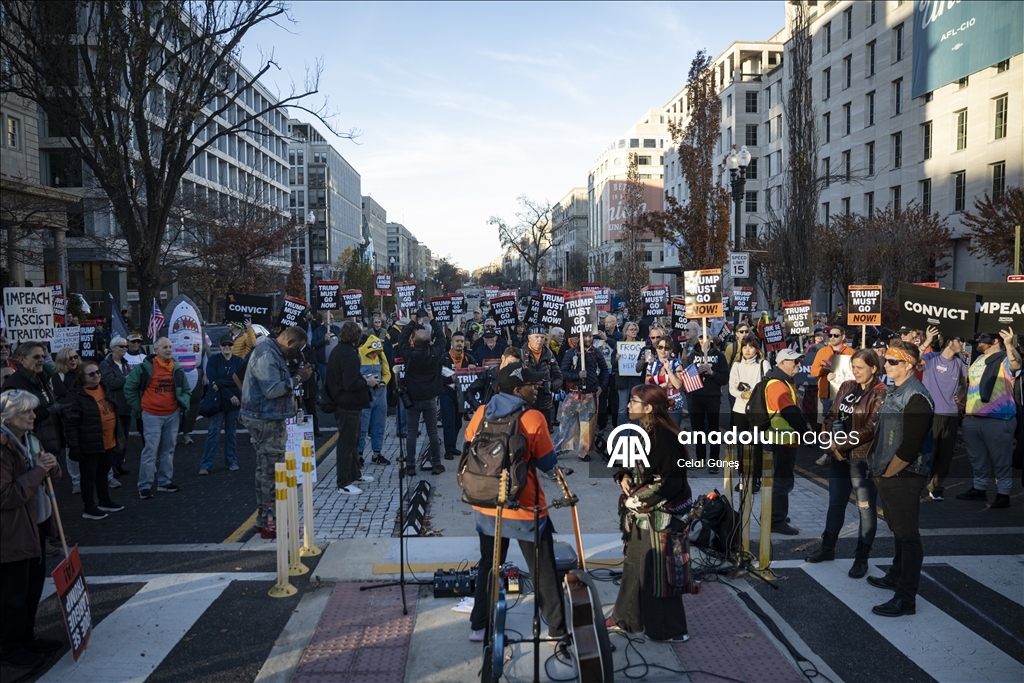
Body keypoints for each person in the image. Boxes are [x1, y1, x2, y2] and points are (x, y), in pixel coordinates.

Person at [465, 362, 566, 643]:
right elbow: (547, 462)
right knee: (542, 567)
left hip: (487, 502)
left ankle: (479, 626)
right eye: (531, 385)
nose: (536, 388)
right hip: (524, 506)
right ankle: (557, 629)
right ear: (517, 390)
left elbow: (468, 441)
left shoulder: (482, 412)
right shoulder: (533, 418)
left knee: (489, 564)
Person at [608, 384, 691, 642]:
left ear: (648, 408)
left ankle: (670, 630)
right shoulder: (645, 431)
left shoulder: (665, 437)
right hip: (644, 511)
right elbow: (632, 465)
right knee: (634, 565)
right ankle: (626, 618)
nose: (629, 405)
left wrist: (640, 501)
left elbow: (671, 483)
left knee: (659, 573)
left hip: (662, 513)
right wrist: (623, 476)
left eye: (634, 401)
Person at [865, 340, 935, 617]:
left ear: (908, 364)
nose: (887, 365)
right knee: (898, 530)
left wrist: (888, 472)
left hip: (904, 474)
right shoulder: (896, 391)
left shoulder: (916, 396)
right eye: (887, 360)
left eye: (893, 361)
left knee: (908, 537)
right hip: (890, 472)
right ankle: (895, 574)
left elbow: (910, 446)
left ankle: (906, 598)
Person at [805, 349, 886, 578]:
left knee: (866, 510)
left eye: (860, 367)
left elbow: (871, 427)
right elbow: (831, 415)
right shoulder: (847, 386)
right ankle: (827, 547)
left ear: (874, 368)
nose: (855, 371)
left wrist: (839, 446)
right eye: (853, 366)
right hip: (838, 454)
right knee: (836, 503)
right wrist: (830, 443)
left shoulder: (881, 392)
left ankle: (861, 558)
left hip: (861, 458)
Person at [0, 390, 63, 668]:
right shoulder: (3, 446)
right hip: (11, 532)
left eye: (33, 411)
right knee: (12, 595)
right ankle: (10, 647)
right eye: (26, 412)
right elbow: (7, 495)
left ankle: (26, 636)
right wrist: (39, 470)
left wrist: (51, 467)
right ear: (7, 417)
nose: (33, 416)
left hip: (35, 524)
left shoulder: (30, 439)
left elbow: (49, 476)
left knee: (31, 588)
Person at [241, 327, 314, 533]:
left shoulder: (272, 352)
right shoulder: (267, 355)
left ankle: (264, 519)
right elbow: (272, 390)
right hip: (265, 419)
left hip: (266, 416)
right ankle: (273, 523)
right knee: (273, 471)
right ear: (288, 343)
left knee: (265, 469)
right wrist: (298, 378)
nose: (298, 354)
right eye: (297, 349)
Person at [956, 328, 1020, 508]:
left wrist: (1009, 344)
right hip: (973, 417)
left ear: (995, 341)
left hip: (998, 418)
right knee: (977, 458)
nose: (978, 342)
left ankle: (1003, 493)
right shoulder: (977, 360)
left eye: (982, 339)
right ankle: (979, 488)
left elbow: (1016, 365)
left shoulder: (1005, 359)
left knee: (1001, 459)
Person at [124, 337, 191, 499]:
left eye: (170, 346)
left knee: (168, 449)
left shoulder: (176, 367)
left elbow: (186, 389)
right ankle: (145, 486)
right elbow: (129, 388)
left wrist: (183, 403)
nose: (169, 349)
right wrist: (139, 407)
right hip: (152, 415)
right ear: (156, 350)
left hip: (172, 414)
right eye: (164, 347)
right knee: (150, 451)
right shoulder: (144, 368)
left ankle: (164, 482)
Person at [62, 361, 126, 520]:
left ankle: (104, 500)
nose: (96, 375)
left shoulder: (104, 388)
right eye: (91, 374)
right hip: (89, 442)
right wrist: (74, 446)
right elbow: (71, 424)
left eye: (98, 372)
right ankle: (89, 507)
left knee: (103, 472)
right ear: (81, 377)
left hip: (108, 440)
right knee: (88, 476)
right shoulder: (76, 395)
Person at [763, 348, 811, 536]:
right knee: (783, 481)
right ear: (782, 363)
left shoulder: (782, 381)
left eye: (799, 362)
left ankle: (777, 514)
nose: (798, 365)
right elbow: (789, 411)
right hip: (782, 440)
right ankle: (776, 520)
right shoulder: (778, 384)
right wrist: (805, 430)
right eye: (794, 362)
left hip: (782, 438)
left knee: (781, 479)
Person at [918, 326, 968, 501]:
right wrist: (927, 341)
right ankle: (917, 486)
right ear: (948, 342)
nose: (962, 343)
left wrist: (960, 398)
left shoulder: (960, 364)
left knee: (945, 454)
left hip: (951, 415)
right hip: (931, 414)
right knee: (926, 453)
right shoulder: (931, 358)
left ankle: (936, 488)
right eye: (959, 340)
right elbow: (912, 361)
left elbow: (965, 384)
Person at [399, 314, 446, 473]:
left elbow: (402, 339)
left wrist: (412, 321)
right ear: (429, 341)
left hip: (412, 399)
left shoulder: (409, 354)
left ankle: (410, 465)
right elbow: (442, 338)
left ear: (414, 342)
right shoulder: (435, 353)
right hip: (430, 398)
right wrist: (432, 319)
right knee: (432, 432)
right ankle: (436, 464)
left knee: (412, 432)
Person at [2, 342, 63, 463]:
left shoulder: (42, 377)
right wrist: (47, 412)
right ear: (21, 360)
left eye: (43, 356)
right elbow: (15, 420)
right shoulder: (14, 384)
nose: (41, 360)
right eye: (36, 357)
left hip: (49, 441)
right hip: (31, 447)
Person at [554, 331, 608, 462]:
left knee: (587, 426)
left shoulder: (596, 352)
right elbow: (563, 373)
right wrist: (577, 375)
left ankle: (583, 452)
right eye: (585, 336)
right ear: (579, 338)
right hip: (573, 394)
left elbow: (605, 370)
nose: (588, 339)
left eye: (590, 336)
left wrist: (602, 386)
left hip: (590, 395)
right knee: (565, 424)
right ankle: (556, 449)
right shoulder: (570, 353)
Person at [729, 334, 771, 492]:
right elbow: (732, 387)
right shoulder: (736, 365)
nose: (747, 350)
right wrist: (742, 394)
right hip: (740, 409)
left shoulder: (763, 364)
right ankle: (742, 478)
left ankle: (756, 480)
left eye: (751, 346)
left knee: (756, 445)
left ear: (757, 349)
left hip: (758, 411)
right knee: (741, 446)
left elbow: (768, 386)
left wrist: (754, 393)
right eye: (745, 347)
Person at [811, 325, 855, 465]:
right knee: (825, 425)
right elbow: (813, 372)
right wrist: (825, 371)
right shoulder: (822, 351)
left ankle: (842, 451)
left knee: (843, 424)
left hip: (845, 395)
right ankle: (826, 453)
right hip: (825, 394)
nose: (832, 338)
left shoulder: (851, 352)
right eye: (830, 335)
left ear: (843, 336)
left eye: (836, 335)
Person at [199, 335, 243, 475]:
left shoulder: (239, 361)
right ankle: (206, 464)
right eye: (224, 344)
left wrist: (220, 382)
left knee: (231, 434)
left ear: (233, 346)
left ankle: (231, 461)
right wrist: (230, 394)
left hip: (233, 404)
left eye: (229, 344)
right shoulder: (213, 360)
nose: (227, 347)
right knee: (213, 434)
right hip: (218, 402)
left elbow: (239, 381)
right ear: (220, 346)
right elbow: (213, 381)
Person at [685, 334, 728, 473]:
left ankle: (714, 461)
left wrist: (712, 372)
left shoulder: (719, 356)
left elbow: (725, 378)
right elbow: (686, 378)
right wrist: (696, 372)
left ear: (711, 339)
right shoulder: (692, 356)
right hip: (696, 396)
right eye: (701, 338)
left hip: (713, 397)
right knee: (698, 430)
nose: (704, 341)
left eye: (707, 337)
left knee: (714, 429)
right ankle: (700, 459)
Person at [100, 336, 133, 476]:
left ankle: (119, 464)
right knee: (114, 437)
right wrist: (126, 379)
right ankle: (111, 466)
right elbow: (109, 383)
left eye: (126, 346)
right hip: (114, 406)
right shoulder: (105, 364)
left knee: (124, 436)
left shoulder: (126, 363)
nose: (124, 349)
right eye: (121, 346)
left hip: (126, 405)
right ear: (113, 348)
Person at [358, 333, 391, 466]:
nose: (374, 354)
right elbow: (354, 374)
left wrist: (383, 382)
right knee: (362, 427)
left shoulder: (381, 355)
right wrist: (366, 381)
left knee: (379, 425)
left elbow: (387, 372)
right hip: (365, 394)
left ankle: (377, 453)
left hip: (380, 394)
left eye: (377, 352)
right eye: (372, 352)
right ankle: (359, 454)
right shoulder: (358, 355)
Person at [521, 325, 562, 429]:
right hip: (527, 402)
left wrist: (549, 385)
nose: (539, 340)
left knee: (545, 435)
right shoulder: (520, 354)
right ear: (529, 338)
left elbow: (559, 377)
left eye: (542, 337)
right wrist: (532, 383)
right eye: (537, 337)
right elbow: (515, 378)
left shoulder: (549, 354)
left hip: (545, 403)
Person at [640, 330, 684, 426]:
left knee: (672, 435)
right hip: (656, 404)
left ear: (671, 350)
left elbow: (678, 385)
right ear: (656, 349)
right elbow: (647, 386)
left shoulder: (676, 363)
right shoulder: (651, 365)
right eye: (660, 347)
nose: (663, 350)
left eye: (666, 348)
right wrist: (661, 387)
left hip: (672, 405)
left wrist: (668, 369)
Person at [441, 331, 473, 460]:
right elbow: (437, 378)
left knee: (458, 422)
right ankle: (448, 449)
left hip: (462, 395)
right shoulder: (444, 358)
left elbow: (476, 377)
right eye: (457, 341)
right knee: (448, 421)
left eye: (461, 341)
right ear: (452, 343)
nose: (459, 343)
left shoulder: (469, 358)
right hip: (446, 393)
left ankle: (453, 446)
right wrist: (450, 380)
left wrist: (474, 368)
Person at [614, 322, 644, 427]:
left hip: (636, 379)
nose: (634, 332)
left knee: (636, 406)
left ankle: (635, 431)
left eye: (635, 329)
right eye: (631, 329)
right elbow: (613, 364)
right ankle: (622, 430)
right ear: (626, 332)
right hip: (623, 380)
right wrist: (616, 359)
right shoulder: (619, 345)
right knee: (622, 407)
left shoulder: (641, 344)